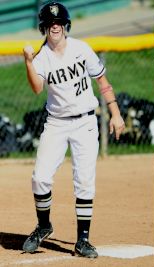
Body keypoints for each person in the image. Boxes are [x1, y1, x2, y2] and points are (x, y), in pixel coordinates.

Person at [22, 2, 125, 258]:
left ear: (65, 25)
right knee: (40, 177)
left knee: (84, 181)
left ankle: (83, 240)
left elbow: (102, 81)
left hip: (85, 123)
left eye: (58, 23)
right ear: (44, 28)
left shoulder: (81, 49)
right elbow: (36, 88)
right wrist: (27, 61)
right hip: (56, 123)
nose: (54, 26)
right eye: (50, 23)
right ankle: (44, 226)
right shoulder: (42, 57)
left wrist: (115, 113)